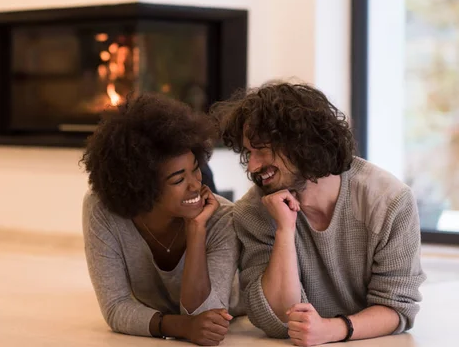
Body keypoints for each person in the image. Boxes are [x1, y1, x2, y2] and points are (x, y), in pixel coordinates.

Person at [211, 81, 426, 346]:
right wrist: (285, 231)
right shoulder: (254, 211)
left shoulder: (389, 201)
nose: (253, 165)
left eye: (262, 151)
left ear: (303, 144)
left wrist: (332, 329)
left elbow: (397, 308)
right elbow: (278, 320)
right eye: (248, 153)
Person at [81, 93, 243, 346]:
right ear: (141, 186)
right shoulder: (103, 210)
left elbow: (205, 318)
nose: (195, 185)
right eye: (178, 180)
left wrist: (196, 228)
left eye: (196, 168)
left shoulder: (222, 218)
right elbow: (115, 308)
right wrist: (179, 326)